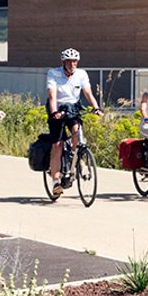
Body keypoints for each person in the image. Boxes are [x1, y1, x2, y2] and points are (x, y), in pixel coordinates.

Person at [44, 48, 99, 196]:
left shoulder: (81, 74)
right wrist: (54, 111)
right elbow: (52, 95)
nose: (72, 64)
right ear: (63, 62)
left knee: (77, 132)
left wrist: (96, 107)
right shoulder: (53, 73)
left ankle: (77, 157)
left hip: (73, 108)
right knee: (57, 145)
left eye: (74, 61)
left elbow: (88, 92)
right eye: (69, 61)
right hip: (58, 108)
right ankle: (56, 181)